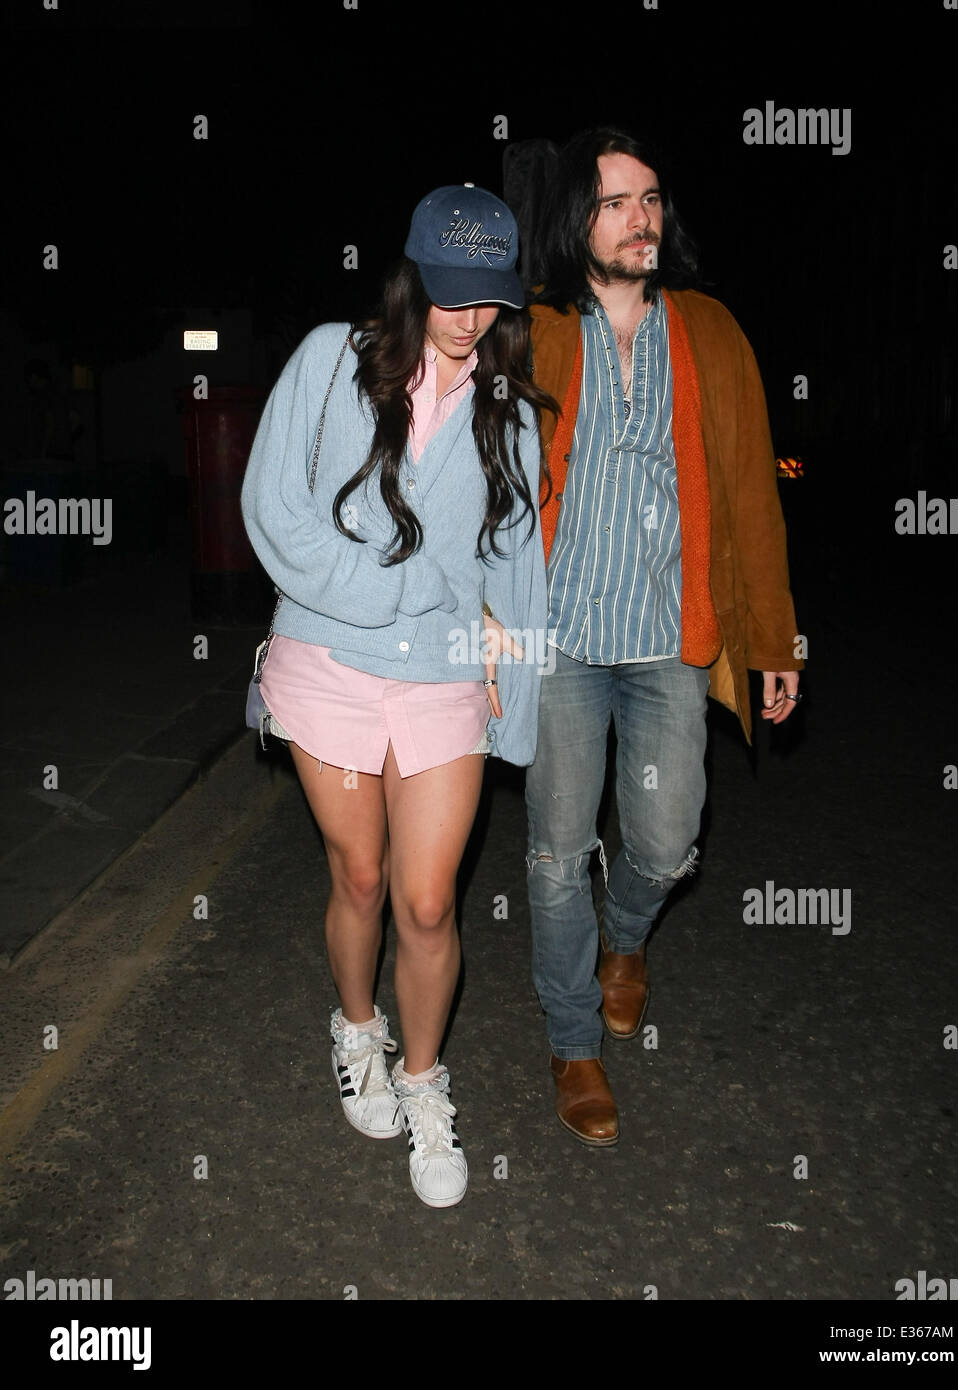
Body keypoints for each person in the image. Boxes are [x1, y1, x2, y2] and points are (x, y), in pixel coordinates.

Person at [241, 184, 553, 1207]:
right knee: (362, 876)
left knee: (427, 897)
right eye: (453, 294)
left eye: (489, 299)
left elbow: (514, 569)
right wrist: (408, 587)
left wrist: (522, 696)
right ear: (413, 276)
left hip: (444, 670)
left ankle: (424, 1081)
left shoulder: (507, 412)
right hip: (325, 660)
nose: (470, 320)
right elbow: (273, 513)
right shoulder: (332, 361)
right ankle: (355, 1028)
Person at [525, 128, 804, 1144]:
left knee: (666, 837)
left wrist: (774, 640)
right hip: (557, 638)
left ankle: (626, 936)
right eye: (616, 203)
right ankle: (572, 1044)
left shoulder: (711, 332)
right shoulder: (537, 331)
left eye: (650, 199)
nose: (641, 218)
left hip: (665, 638)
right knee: (556, 854)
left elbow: (746, 495)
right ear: (576, 222)